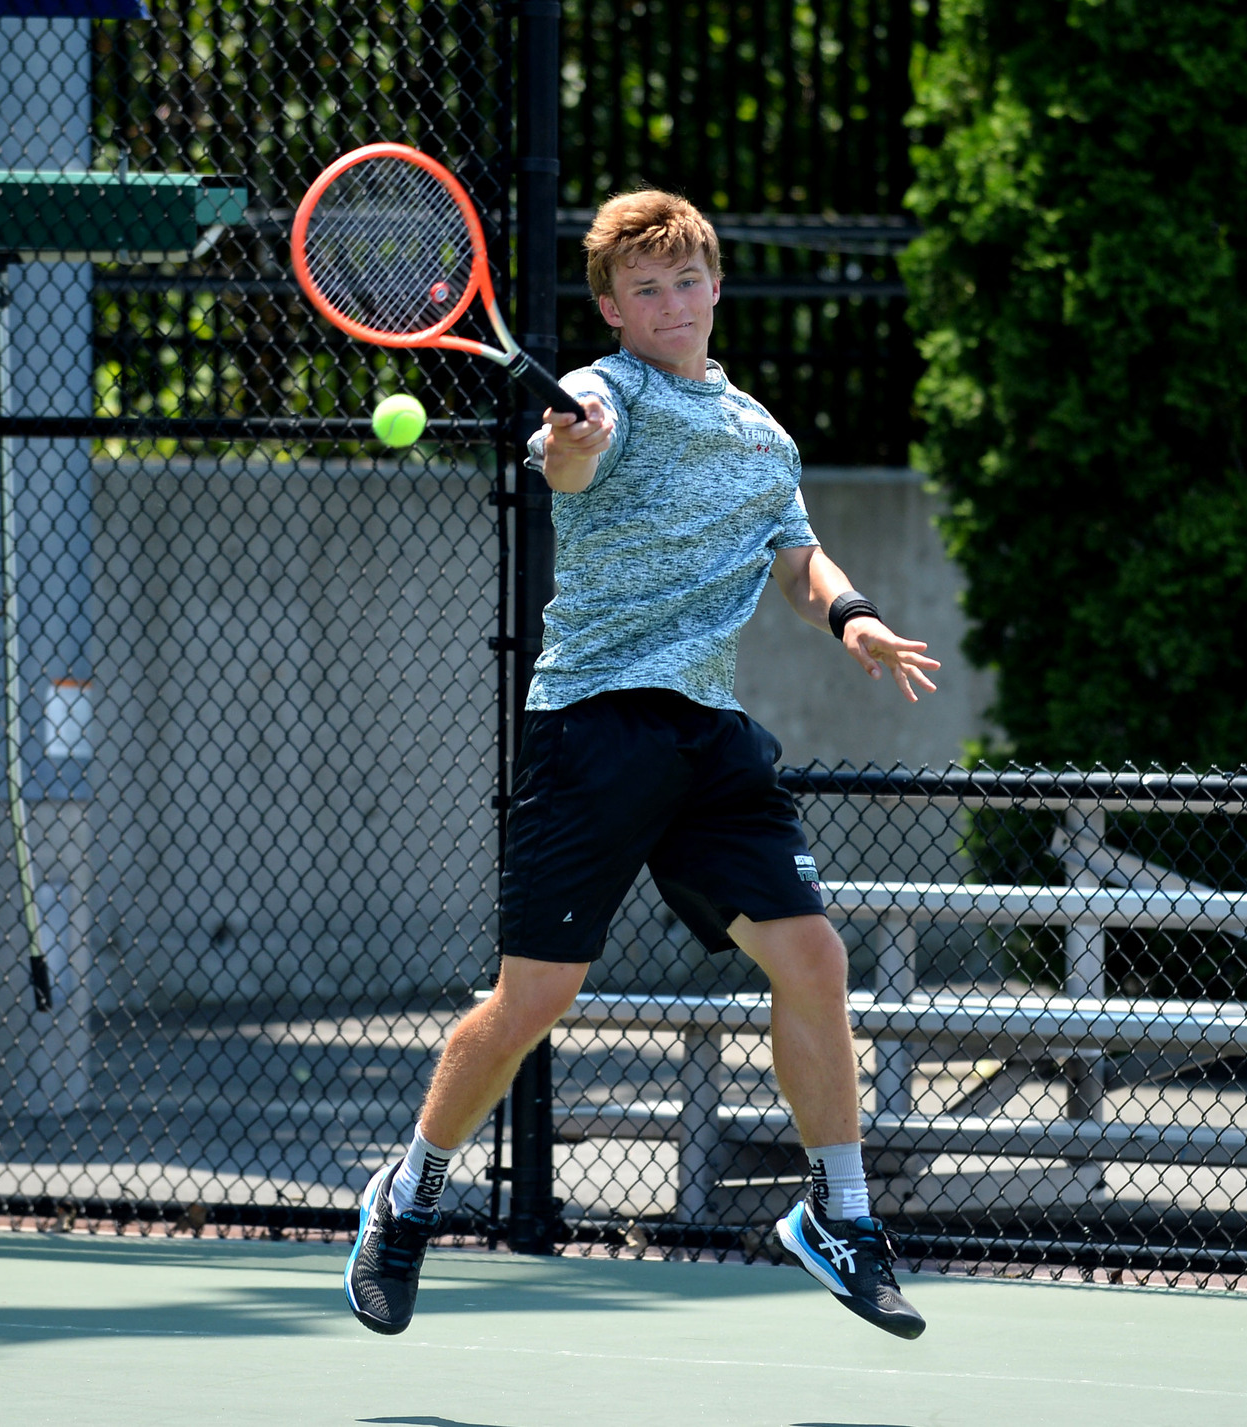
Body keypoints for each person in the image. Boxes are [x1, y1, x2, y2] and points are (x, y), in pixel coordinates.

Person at [345, 190, 940, 1340]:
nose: (670, 303)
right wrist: (572, 447)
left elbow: (794, 550)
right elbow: (567, 466)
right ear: (613, 309)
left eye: (687, 281)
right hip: (594, 724)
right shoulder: (603, 399)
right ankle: (409, 1193)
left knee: (813, 957)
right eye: (645, 289)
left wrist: (852, 615)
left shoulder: (764, 433)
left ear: (716, 287)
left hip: (708, 733)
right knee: (537, 997)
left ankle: (842, 1216)